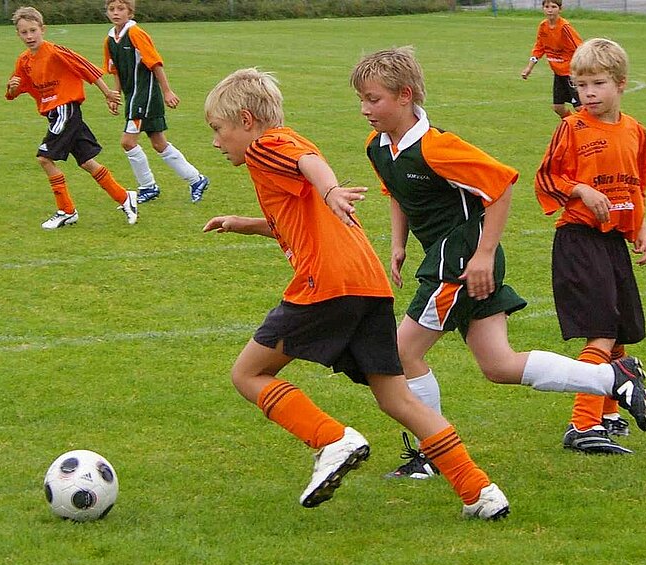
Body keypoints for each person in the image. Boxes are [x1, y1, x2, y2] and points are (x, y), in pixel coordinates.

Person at [202, 67, 512, 520]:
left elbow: (311, 166)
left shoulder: (267, 146)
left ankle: (332, 440)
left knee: (248, 375)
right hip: (368, 287)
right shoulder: (278, 150)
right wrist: (242, 223)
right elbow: (293, 222)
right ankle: (479, 491)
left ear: (247, 121)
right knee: (396, 399)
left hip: (326, 285)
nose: (215, 141)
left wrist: (329, 190)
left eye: (218, 129)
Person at [349, 46, 646, 479]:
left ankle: (433, 452)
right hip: (450, 259)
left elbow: (501, 185)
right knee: (499, 365)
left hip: (461, 260)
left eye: (373, 99)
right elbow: (397, 195)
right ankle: (614, 380)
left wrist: (484, 254)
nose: (364, 109)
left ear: (405, 95)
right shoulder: (377, 147)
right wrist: (398, 244)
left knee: (400, 353)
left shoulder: (439, 147)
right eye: (361, 99)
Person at [535, 38, 646, 454]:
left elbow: (637, 184)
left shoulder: (635, 131)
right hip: (578, 240)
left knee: (618, 331)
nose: (587, 94)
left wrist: (640, 227)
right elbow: (547, 178)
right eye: (580, 85)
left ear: (620, 84)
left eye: (597, 84)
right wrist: (581, 189)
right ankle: (582, 425)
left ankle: (607, 413)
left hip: (613, 242)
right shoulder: (572, 127)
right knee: (601, 332)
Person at [5, 6, 137, 230]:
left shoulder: (56, 52)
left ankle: (66, 210)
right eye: (24, 32)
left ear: (42, 29)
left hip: (66, 110)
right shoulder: (24, 61)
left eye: (33, 30)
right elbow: (14, 93)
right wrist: (11, 88)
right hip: (54, 114)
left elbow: (84, 67)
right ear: (18, 34)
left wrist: (107, 93)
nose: (29, 36)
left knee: (44, 158)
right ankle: (125, 197)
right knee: (87, 162)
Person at [103, 0, 209, 204]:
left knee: (127, 141)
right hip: (133, 97)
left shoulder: (136, 34)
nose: (116, 13)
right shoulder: (109, 40)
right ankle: (197, 179)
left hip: (146, 96)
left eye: (120, 9)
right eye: (111, 9)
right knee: (159, 143)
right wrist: (114, 94)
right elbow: (114, 69)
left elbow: (155, 63)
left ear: (130, 12)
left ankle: (148, 186)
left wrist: (167, 91)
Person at [520, 0, 583, 119]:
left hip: (571, 74)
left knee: (580, 108)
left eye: (553, 7)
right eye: (547, 6)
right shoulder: (543, 26)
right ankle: (571, 125)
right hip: (558, 73)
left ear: (560, 9)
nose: (550, 9)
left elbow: (580, 48)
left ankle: (592, 127)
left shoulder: (565, 27)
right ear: (543, 8)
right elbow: (539, 47)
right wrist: (529, 67)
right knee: (558, 107)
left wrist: (580, 69)